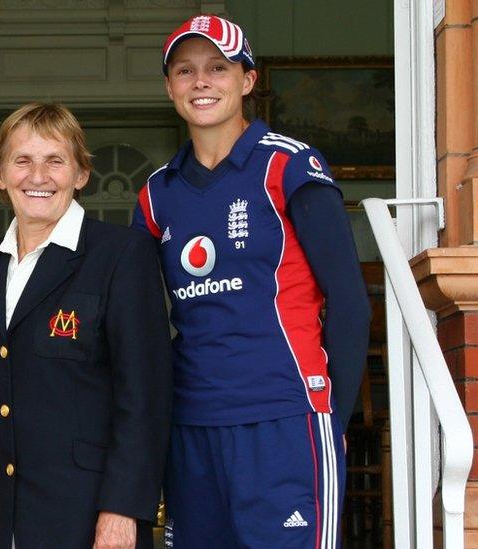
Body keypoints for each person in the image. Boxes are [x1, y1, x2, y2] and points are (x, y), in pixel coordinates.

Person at [131, 15, 371, 548]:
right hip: (191, 424)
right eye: (185, 70)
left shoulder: (290, 165)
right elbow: (140, 322)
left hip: (285, 416)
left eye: (218, 68)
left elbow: (351, 304)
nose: (201, 82)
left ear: (247, 80)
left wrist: (335, 418)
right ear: (169, 86)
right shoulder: (156, 194)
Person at [0, 103, 173, 549]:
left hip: (87, 516)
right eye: (22, 161)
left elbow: (145, 396)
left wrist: (124, 510)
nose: (38, 176)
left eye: (55, 160)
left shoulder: (122, 255)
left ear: (80, 174)